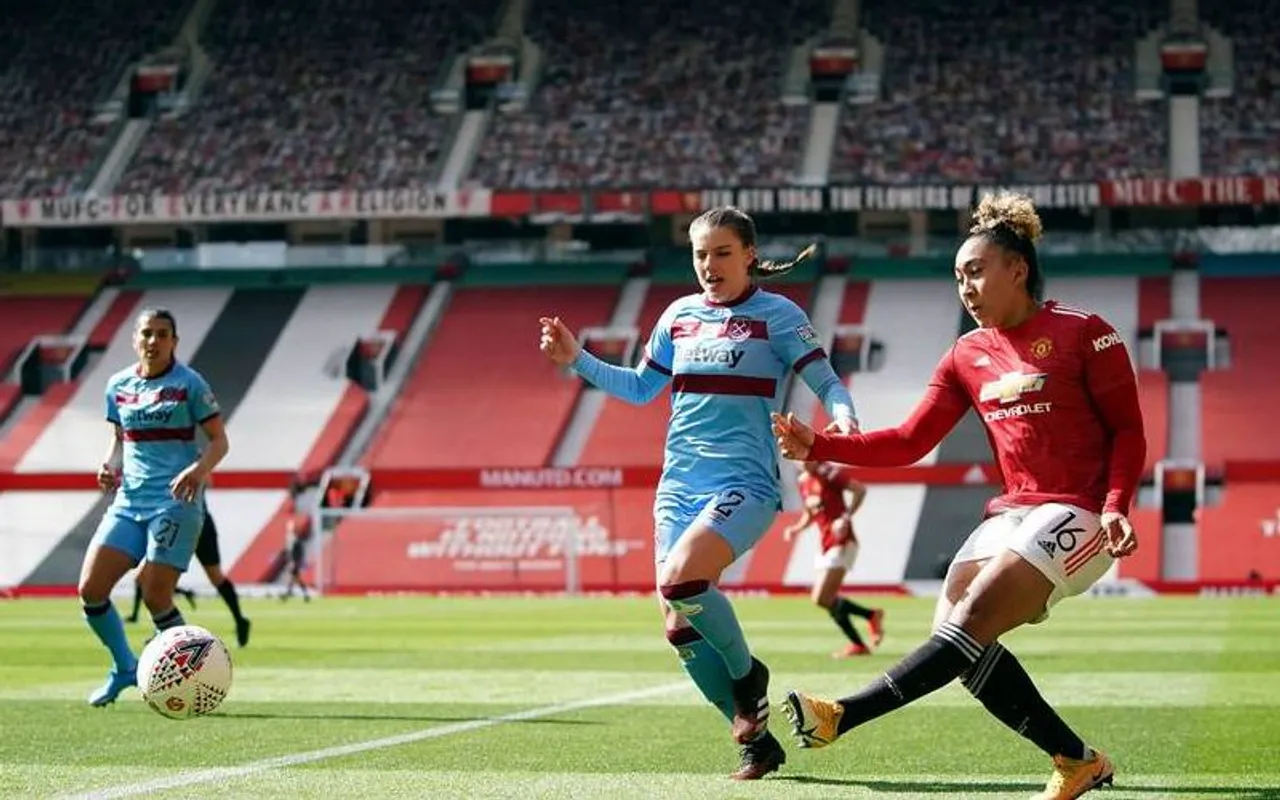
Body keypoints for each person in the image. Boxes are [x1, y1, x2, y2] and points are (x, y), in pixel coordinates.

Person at [772, 192, 1144, 800]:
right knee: (959, 640)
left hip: (1081, 511)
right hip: (1014, 512)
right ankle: (1076, 760)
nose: (964, 288)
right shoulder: (965, 354)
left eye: (975, 271)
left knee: (966, 625)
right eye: (957, 277)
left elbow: (1129, 429)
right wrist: (820, 444)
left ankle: (841, 714)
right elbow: (911, 439)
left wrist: (1115, 505)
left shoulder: (1085, 333)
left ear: (1016, 269)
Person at [539, 206, 859, 780]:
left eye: (722, 253)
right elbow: (641, 389)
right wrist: (577, 360)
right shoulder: (679, 316)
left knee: (683, 579)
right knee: (678, 625)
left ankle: (746, 678)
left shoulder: (778, 316)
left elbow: (829, 383)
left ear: (750, 256)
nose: (709, 266)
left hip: (745, 483)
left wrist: (843, 425)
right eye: (699, 254)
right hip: (679, 484)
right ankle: (757, 743)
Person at [77, 308, 230, 707]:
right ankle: (125, 667)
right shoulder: (118, 385)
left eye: (163, 334)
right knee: (91, 591)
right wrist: (110, 467)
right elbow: (118, 440)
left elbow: (219, 442)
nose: (154, 341)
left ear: (174, 342)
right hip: (129, 503)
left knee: (155, 593)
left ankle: (192, 677)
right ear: (135, 339)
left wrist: (198, 471)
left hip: (175, 503)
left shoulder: (190, 384)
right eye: (147, 333)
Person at [780, 461, 884, 657]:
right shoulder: (803, 480)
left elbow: (859, 490)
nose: (802, 460)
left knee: (821, 597)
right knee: (825, 599)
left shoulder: (826, 471)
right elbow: (810, 513)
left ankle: (868, 622)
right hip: (826, 543)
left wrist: (845, 517)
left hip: (842, 542)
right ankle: (864, 630)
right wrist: (796, 528)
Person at [126, 507, 252, 648]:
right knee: (214, 576)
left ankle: (169, 634)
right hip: (193, 521)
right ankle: (240, 619)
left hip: (182, 522)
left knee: (150, 578)